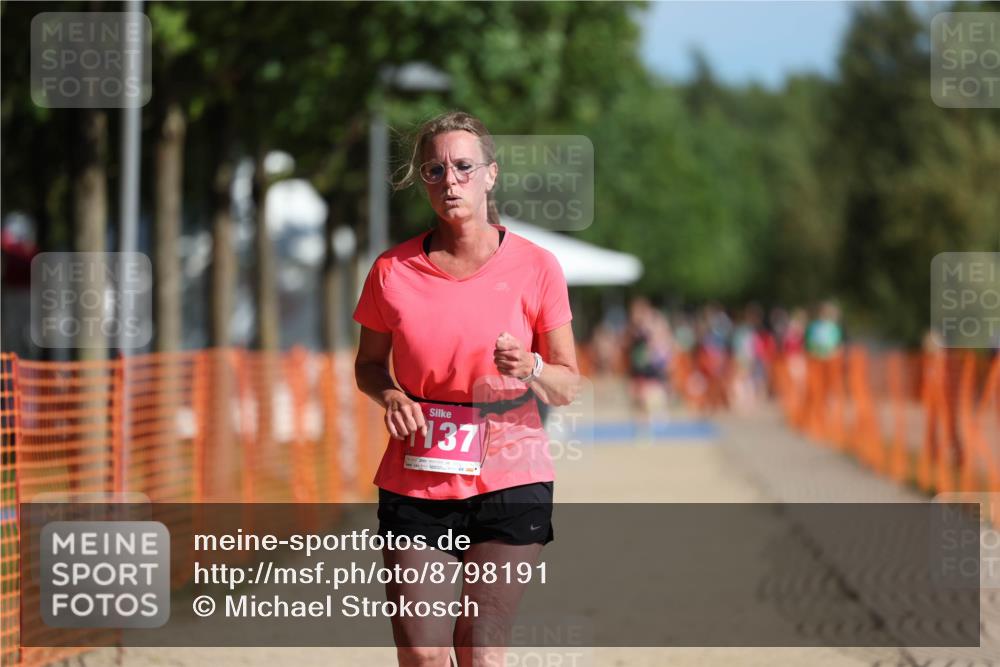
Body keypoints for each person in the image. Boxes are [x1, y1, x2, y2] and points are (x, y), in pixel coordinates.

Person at [353, 110, 580, 667]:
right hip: (419, 472)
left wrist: (530, 367)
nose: (449, 180)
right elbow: (368, 365)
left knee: (480, 645)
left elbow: (568, 383)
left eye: (462, 166)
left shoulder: (536, 266)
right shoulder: (391, 270)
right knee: (422, 649)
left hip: (511, 469)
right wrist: (391, 396)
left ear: (490, 175)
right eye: (434, 170)